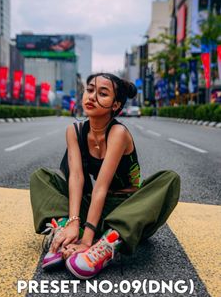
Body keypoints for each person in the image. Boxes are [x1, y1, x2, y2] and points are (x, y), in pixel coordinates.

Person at [30, 73, 180, 279]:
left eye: (102, 93)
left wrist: (86, 241)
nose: (92, 97)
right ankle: (65, 230)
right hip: (93, 207)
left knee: (169, 179)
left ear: (115, 105)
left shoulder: (118, 132)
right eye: (90, 90)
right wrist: (74, 221)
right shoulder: (74, 131)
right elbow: (76, 178)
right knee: (41, 176)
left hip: (128, 211)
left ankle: (108, 242)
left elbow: (101, 185)